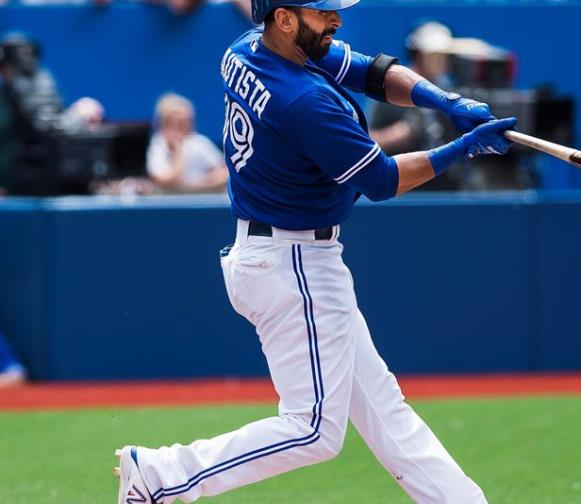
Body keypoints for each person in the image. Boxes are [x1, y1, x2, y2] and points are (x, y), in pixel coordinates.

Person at [113, 1, 515, 503]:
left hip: (279, 253)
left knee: (383, 409)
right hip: (293, 264)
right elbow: (381, 180)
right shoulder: (302, 100)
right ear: (284, 18)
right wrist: (462, 148)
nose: (336, 20)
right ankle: (161, 475)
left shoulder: (248, 49)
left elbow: (372, 72)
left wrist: (445, 99)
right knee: (313, 431)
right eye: (322, 12)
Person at [0, 32, 104, 195]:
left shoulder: (38, 82)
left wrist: (78, 116)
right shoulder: (7, 92)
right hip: (15, 186)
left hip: (37, 185)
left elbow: (48, 126)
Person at [367, 21, 459, 190]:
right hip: (405, 191)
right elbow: (367, 142)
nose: (440, 61)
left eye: (445, 55)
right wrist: (402, 132)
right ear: (417, 54)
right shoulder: (391, 89)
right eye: (434, 54)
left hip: (446, 191)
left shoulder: (453, 95)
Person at [146, 93, 229, 193]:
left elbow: (225, 173)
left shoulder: (199, 143)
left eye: (188, 122)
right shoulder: (158, 145)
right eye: (178, 123)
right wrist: (178, 150)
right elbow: (167, 181)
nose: (186, 128)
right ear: (164, 124)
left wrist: (200, 185)